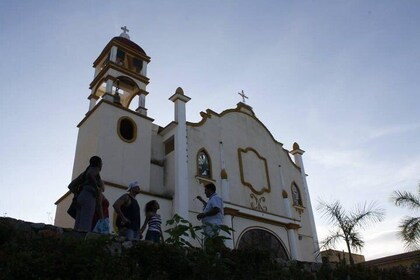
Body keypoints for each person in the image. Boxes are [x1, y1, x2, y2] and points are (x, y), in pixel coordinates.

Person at [74, 156, 103, 232]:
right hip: (89, 196)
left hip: (81, 196)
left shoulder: (83, 174)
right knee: (86, 223)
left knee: (78, 222)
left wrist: (77, 192)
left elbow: (71, 186)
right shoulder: (95, 169)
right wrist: (96, 187)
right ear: (99, 163)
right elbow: (90, 174)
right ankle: (82, 241)